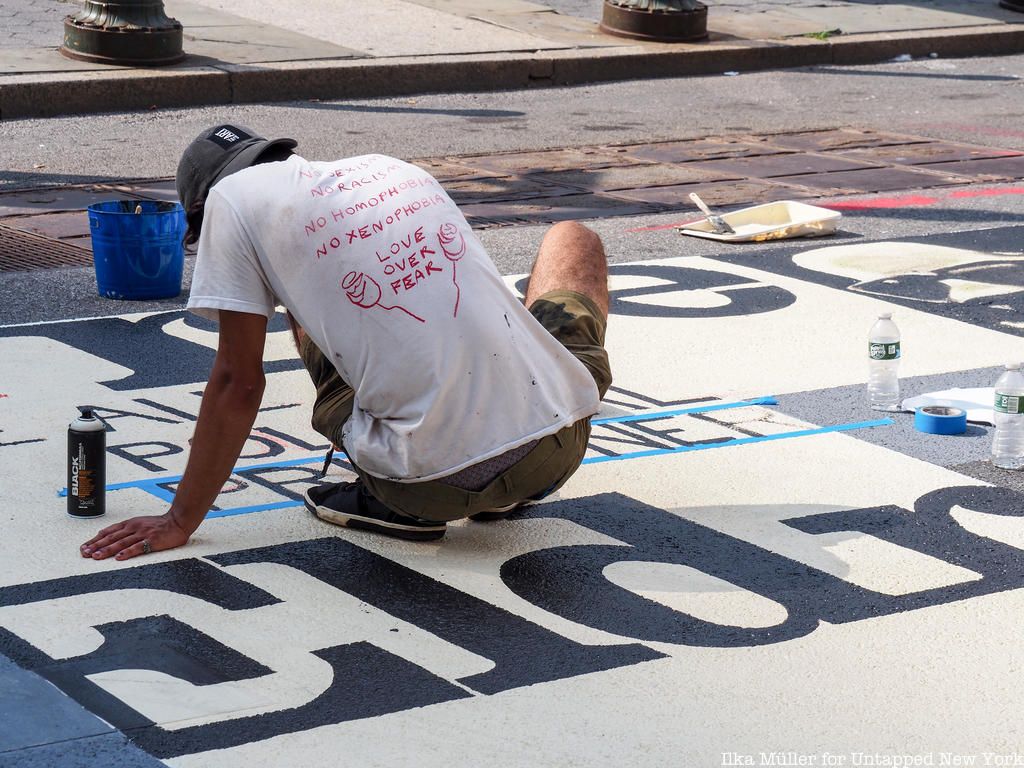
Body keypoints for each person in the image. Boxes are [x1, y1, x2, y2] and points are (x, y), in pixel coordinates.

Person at [80, 124, 611, 561]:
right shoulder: (391, 166)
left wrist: (180, 518)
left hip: (423, 486)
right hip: (555, 448)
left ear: (202, 211)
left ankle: (398, 501)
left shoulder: (229, 203)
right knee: (572, 239)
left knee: (315, 305)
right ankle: (506, 477)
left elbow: (237, 383)